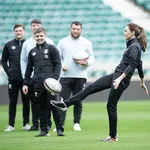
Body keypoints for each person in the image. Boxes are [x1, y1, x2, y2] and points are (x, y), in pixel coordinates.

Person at [51, 23, 149, 141]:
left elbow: (133, 64)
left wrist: (120, 79)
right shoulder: (132, 44)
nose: (124, 32)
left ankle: (113, 136)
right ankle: (65, 104)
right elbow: (139, 63)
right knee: (90, 88)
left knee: (111, 106)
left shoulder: (134, 46)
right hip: (116, 76)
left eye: (125, 31)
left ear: (132, 33)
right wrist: (142, 82)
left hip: (120, 79)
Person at [23, 27, 64, 137]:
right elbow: (28, 68)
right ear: (34, 37)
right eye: (37, 36)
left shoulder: (52, 49)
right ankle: (44, 130)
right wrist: (25, 83)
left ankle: (59, 129)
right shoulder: (32, 52)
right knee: (41, 108)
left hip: (50, 84)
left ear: (45, 36)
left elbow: (58, 64)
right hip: (38, 84)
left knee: (54, 106)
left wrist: (54, 79)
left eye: (41, 36)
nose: (39, 38)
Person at [56, 21, 95, 131]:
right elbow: (57, 57)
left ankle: (76, 123)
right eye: (73, 28)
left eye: (77, 29)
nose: (75, 31)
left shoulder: (86, 42)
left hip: (80, 76)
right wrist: (61, 65)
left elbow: (92, 57)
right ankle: (60, 124)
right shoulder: (62, 42)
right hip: (65, 76)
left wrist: (87, 63)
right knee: (63, 100)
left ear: (81, 30)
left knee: (78, 99)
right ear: (70, 29)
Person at [20, 19, 54, 131]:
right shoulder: (26, 44)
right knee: (35, 103)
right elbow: (24, 61)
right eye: (33, 25)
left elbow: (54, 61)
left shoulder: (50, 43)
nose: (35, 27)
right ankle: (35, 124)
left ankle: (48, 124)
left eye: (37, 25)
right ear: (31, 28)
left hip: (47, 78)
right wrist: (26, 77)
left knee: (47, 102)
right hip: (32, 78)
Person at [2, 24, 30, 131]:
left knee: (26, 102)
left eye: (20, 30)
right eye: (16, 31)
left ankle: (26, 124)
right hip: (13, 79)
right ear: (14, 32)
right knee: (12, 102)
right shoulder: (9, 45)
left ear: (24, 31)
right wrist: (9, 72)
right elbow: (3, 60)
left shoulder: (28, 44)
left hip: (25, 79)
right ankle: (11, 125)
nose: (18, 32)